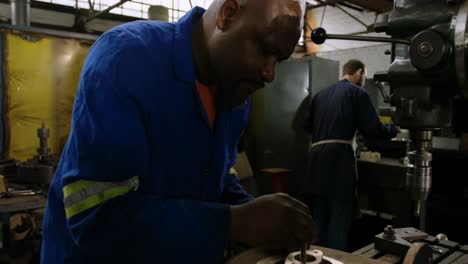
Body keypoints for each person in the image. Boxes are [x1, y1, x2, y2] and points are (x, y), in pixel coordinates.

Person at [41, 0, 316, 263]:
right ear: (228, 14)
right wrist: (233, 222)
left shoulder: (234, 97)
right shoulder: (126, 60)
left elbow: (215, 177)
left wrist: (259, 215)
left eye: (279, 60)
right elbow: (96, 220)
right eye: (265, 49)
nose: (270, 74)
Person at [303, 59, 398, 251]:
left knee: (319, 218)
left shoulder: (320, 94)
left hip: (315, 160)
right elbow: (373, 128)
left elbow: (306, 126)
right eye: (364, 75)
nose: (364, 79)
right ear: (359, 72)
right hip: (338, 161)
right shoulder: (358, 93)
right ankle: (337, 260)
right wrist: (393, 130)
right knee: (339, 219)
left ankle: (316, 259)